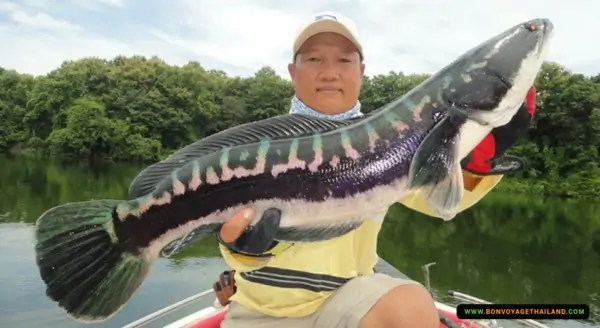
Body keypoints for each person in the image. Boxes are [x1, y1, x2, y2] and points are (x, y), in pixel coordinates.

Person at [213, 11, 537, 328]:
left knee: (410, 304)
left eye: (344, 60)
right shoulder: (255, 150)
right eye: (314, 60)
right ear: (292, 72)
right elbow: (229, 238)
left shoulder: (392, 139)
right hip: (257, 313)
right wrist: (241, 249)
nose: (330, 72)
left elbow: (437, 201)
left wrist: (477, 162)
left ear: (361, 71)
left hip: (348, 303)